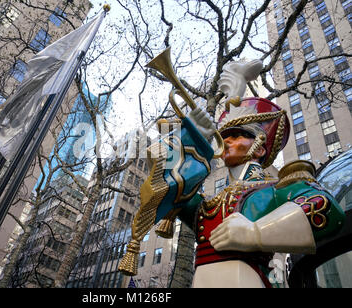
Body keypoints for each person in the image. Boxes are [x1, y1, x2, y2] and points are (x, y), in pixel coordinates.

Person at [119, 63, 345, 288]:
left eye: (236, 136)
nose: (225, 141)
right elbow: (165, 188)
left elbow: (325, 208)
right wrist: (187, 136)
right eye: (224, 135)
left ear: (259, 148)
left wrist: (255, 233)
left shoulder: (277, 188)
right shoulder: (206, 205)